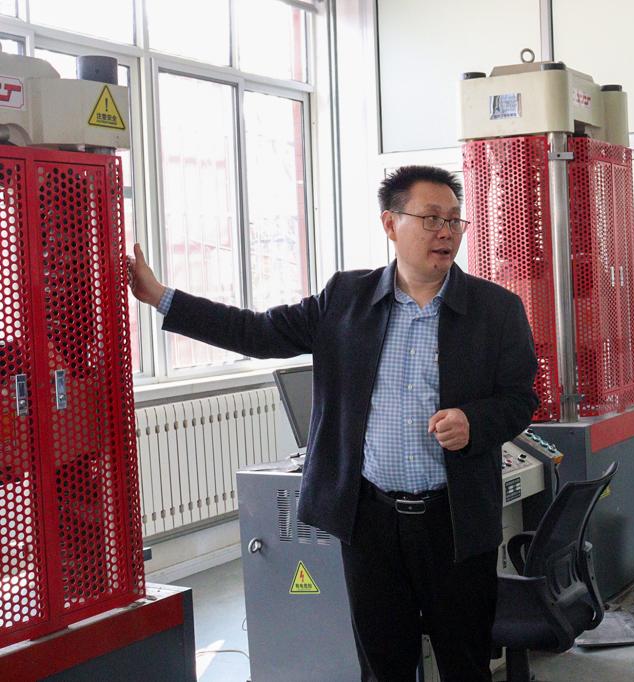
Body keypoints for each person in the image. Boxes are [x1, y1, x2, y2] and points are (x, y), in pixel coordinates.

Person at [128, 165, 539, 681]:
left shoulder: (495, 309)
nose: (446, 232)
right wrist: (162, 297)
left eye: (455, 220)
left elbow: (521, 399)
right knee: (383, 665)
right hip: (371, 523)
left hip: (454, 522)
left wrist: (475, 422)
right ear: (390, 224)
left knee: (466, 664)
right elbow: (257, 332)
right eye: (431, 218)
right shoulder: (346, 299)